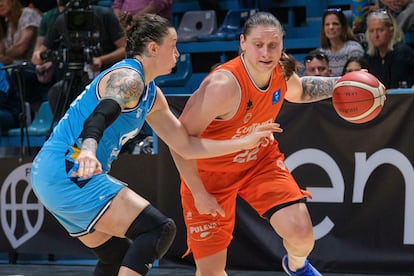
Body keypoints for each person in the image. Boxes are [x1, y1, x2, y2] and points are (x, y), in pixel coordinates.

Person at [30, 13, 279, 276]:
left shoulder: (151, 95)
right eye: (172, 46)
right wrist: (90, 147)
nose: (177, 53)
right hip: (70, 169)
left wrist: (244, 142)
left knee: (117, 257)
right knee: (158, 229)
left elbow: (186, 146)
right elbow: (102, 113)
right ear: (153, 48)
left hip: (51, 173)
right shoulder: (128, 78)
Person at [170, 12, 327, 276]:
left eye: (273, 45)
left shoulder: (280, 68)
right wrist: (198, 192)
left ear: (282, 44)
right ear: (243, 42)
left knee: (302, 235)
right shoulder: (222, 85)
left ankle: (297, 266)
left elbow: (299, 91)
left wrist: (344, 84)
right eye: (258, 45)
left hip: (258, 161)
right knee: (210, 272)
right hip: (209, 175)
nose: (266, 53)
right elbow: (179, 142)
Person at [32, 0, 126, 119]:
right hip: (74, 73)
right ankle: (68, 132)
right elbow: (38, 56)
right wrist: (42, 56)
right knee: (56, 92)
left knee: (102, 92)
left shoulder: (104, 15)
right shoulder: (61, 20)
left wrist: (102, 59)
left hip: (107, 73)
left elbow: (124, 49)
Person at [364, 9, 414, 88]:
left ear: (391, 31)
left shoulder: (402, 52)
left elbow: (396, 88)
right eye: (371, 31)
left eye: (380, 30)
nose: (376, 35)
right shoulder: (370, 55)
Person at [320, 8, 365, 76]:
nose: (331, 27)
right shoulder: (321, 52)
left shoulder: (354, 49)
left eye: (335, 24)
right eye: (327, 24)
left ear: (343, 27)